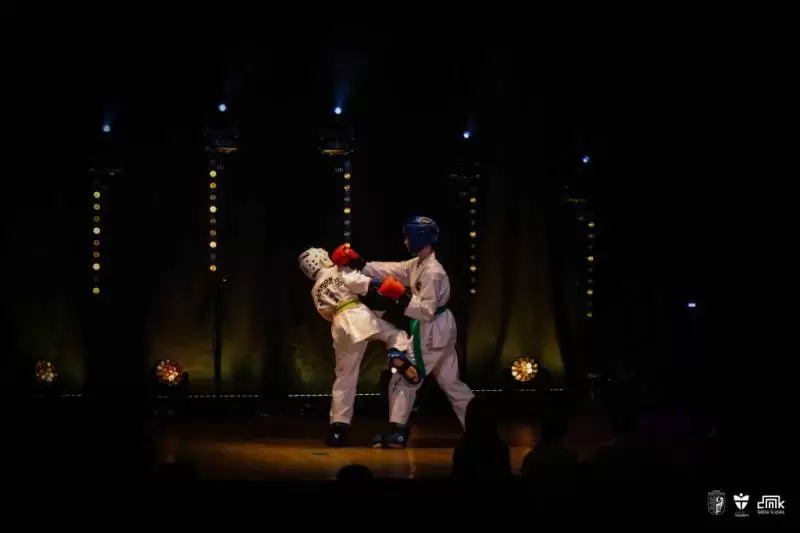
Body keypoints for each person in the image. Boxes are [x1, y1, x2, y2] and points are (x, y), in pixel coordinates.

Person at [331, 216, 474, 448]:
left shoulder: (433, 273)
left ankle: (397, 432)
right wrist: (360, 263)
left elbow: (427, 311)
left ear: (419, 237)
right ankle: (480, 428)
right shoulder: (418, 264)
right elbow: (392, 269)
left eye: (408, 237)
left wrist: (401, 296)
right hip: (439, 330)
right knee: (452, 384)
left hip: (432, 330)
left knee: (404, 377)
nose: (405, 242)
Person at [298, 247, 420, 447]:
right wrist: (379, 284)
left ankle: (338, 428)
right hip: (357, 314)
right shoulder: (337, 270)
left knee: (344, 377)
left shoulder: (315, 291)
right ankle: (395, 353)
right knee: (395, 335)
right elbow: (361, 283)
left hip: (338, 325)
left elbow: (325, 313)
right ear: (320, 258)